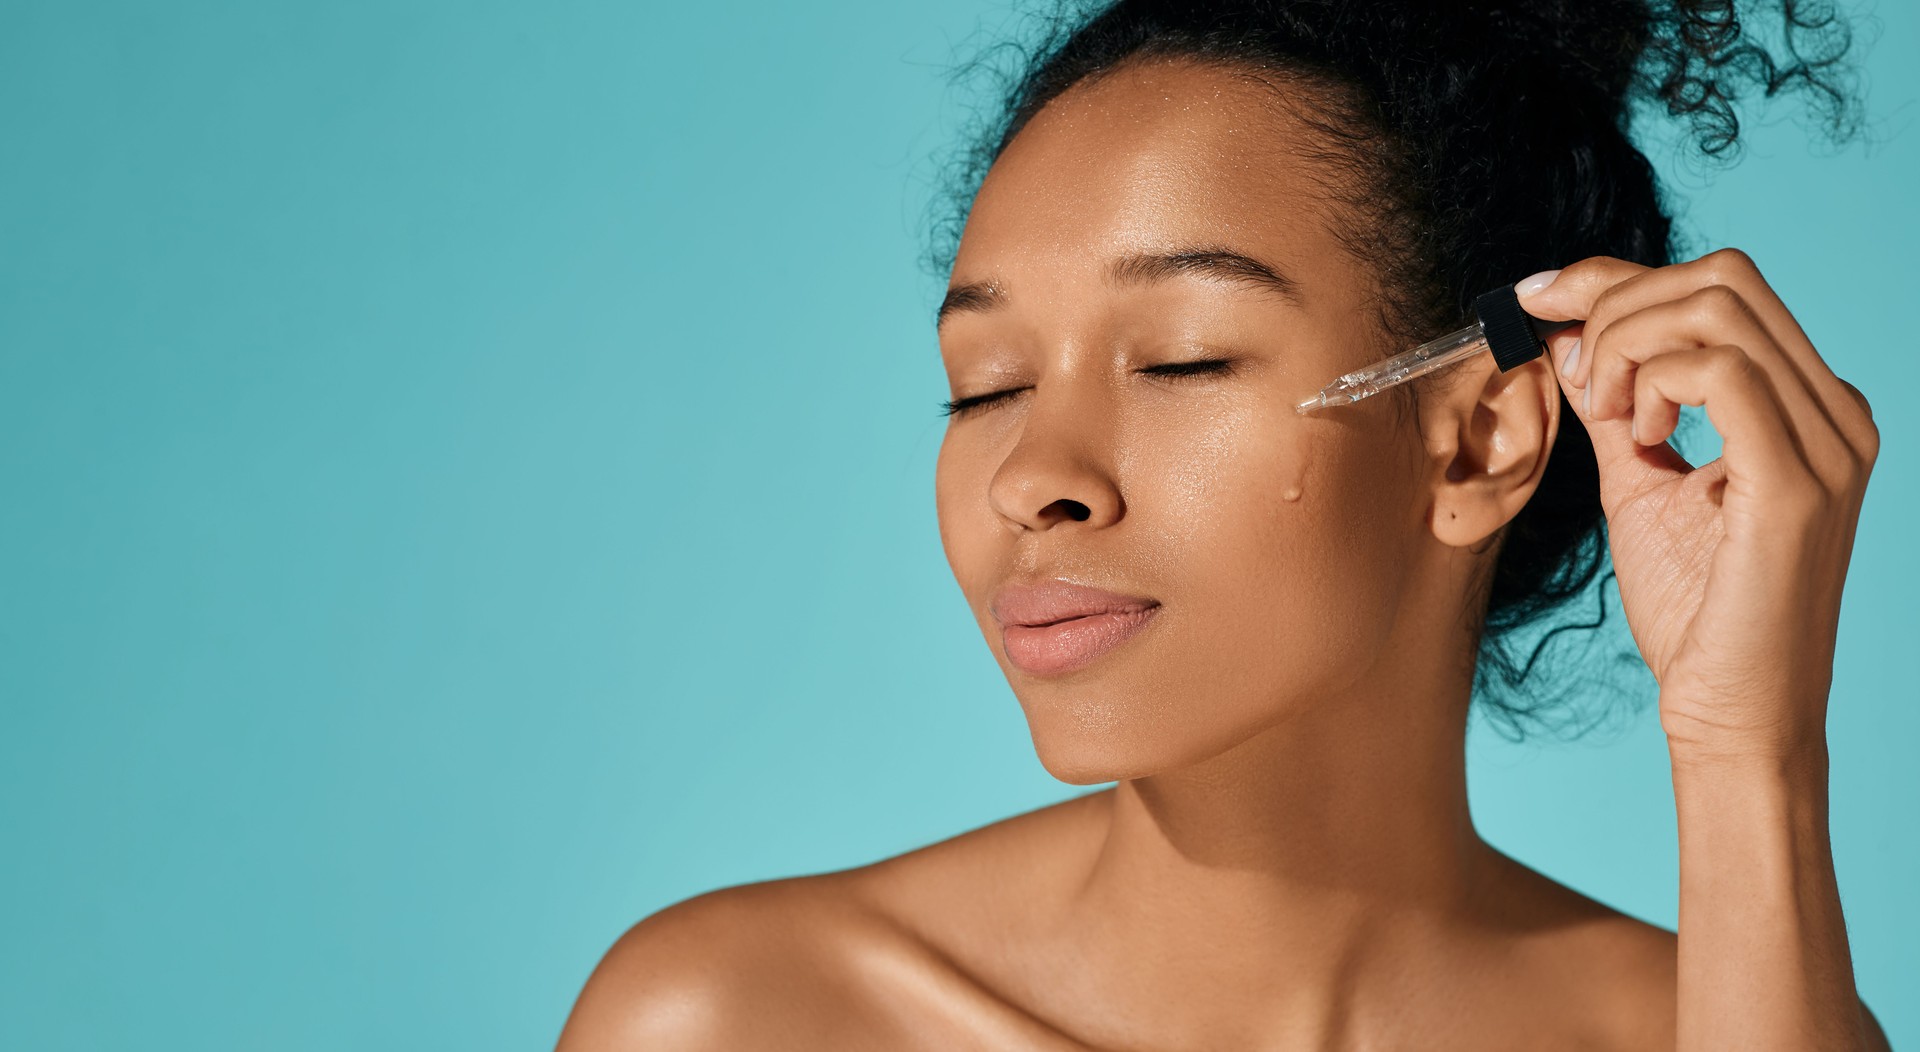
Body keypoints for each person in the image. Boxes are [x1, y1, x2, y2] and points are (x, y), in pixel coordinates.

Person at [558, 1, 1890, 1047]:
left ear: (1481, 438)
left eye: (1182, 360)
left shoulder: (1727, 1026)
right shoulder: (742, 1024)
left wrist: (1746, 752)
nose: (1037, 474)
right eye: (988, 387)